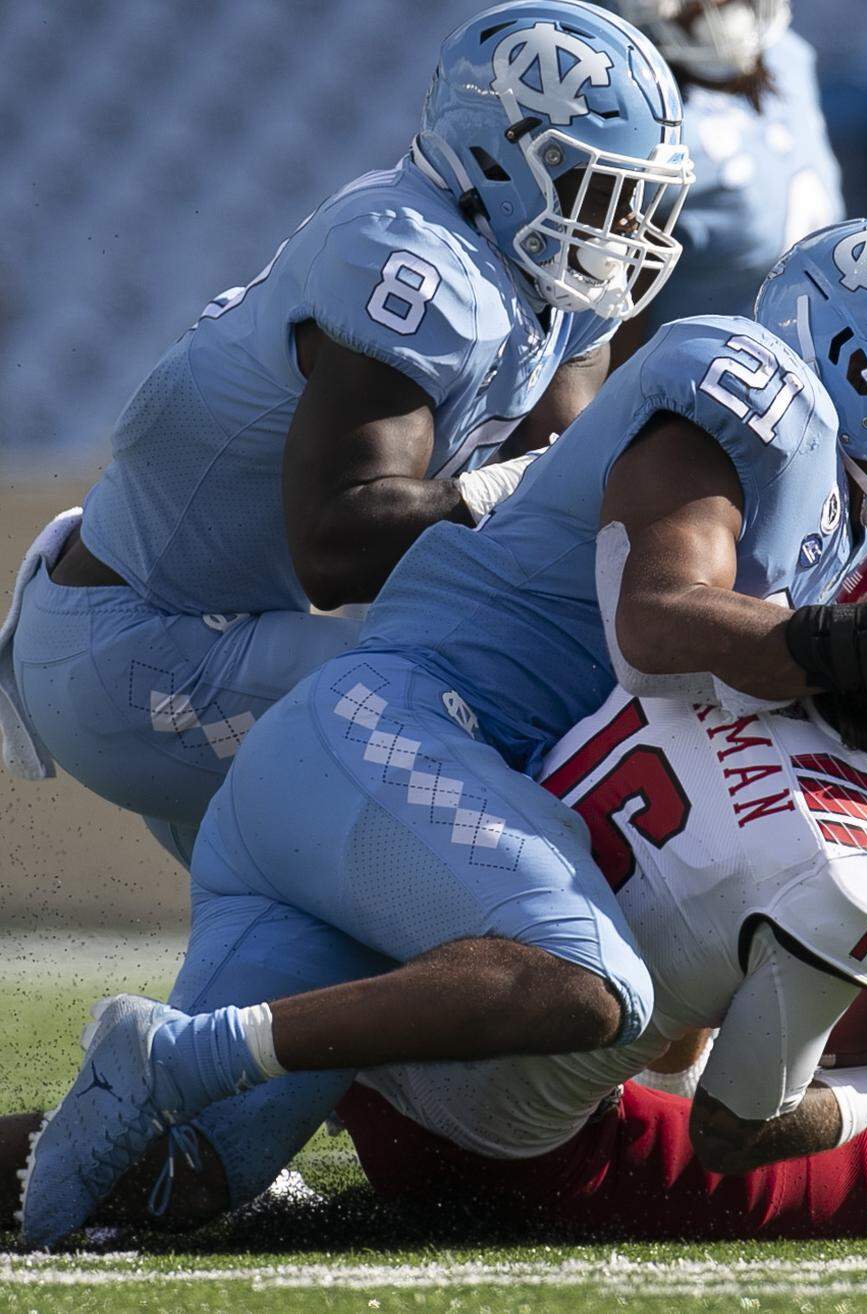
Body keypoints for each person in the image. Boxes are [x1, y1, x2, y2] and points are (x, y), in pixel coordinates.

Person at [18, 216, 867, 1249]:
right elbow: (657, 624)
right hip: (391, 734)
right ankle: (181, 1057)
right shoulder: (753, 397)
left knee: (168, 1173)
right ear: (854, 359)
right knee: (591, 981)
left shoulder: (818, 532)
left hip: (390, 823)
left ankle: (164, 1084)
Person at [2, 523, 867, 1242]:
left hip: (384, 956)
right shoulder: (864, 883)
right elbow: (729, 1129)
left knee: (145, 1157)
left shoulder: (712, 647)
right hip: (471, 1129)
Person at [0, 0, 693, 867]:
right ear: (497, 159)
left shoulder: (543, 276)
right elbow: (338, 540)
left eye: (637, 199)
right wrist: (505, 486)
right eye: (598, 191)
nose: (623, 229)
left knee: (334, 960)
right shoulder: (415, 262)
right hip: (140, 646)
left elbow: (571, 506)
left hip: (230, 631)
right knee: (517, 701)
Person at [598, 0, 843, 365]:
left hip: (820, 369)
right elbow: (607, 326)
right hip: (705, 396)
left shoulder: (788, 57)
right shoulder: (639, 121)